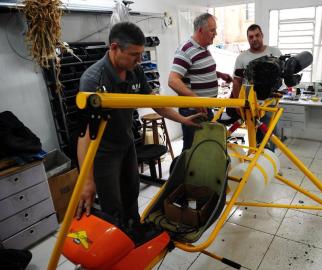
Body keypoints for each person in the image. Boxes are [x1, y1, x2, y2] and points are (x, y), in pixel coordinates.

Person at [76, 22, 202, 228]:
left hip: (127, 145)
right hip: (103, 154)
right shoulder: (92, 80)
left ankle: (133, 233)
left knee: (131, 194)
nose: (140, 59)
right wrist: (86, 181)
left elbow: (156, 103)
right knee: (112, 205)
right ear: (114, 48)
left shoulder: (135, 71)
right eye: (134, 54)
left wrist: (183, 120)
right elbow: (84, 135)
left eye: (141, 53)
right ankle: (117, 245)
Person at [168, 13, 232, 151]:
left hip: (205, 108)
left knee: (205, 148)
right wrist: (195, 99)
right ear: (200, 30)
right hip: (193, 111)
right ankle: (186, 172)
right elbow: (173, 80)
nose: (215, 33)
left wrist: (219, 75)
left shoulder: (203, 48)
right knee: (193, 150)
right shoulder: (186, 50)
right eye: (212, 30)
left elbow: (199, 71)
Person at [232, 24, 282, 150]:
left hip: (270, 103)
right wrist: (238, 102)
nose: (254, 39)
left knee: (269, 136)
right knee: (255, 138)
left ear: (262, 35)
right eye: (251, 37)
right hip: (251, 105)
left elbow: (282, 75)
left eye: (257, 35)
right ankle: (258, 164)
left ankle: (269, 165)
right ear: (248, 39)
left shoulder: (275, 52)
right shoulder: (242, 58)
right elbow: (237, 81)